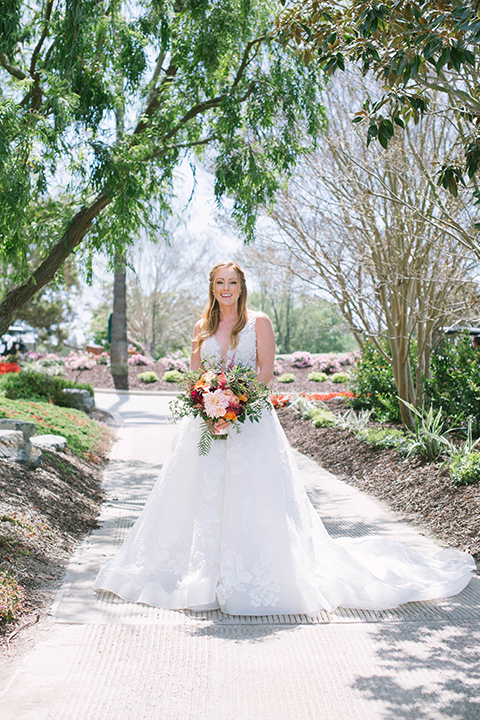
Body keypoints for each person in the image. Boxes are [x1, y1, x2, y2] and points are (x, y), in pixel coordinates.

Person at [94, 261, 475, 615]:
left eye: (233, 282)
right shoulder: (201, 328)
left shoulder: (258, 321)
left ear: (242, 287)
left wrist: (236, 401)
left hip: (250, 419)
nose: (226, 288)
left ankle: (254, 566)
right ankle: (201, 569)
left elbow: (265, 372)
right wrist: (209, 401)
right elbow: (196, 374)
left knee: (251, 495)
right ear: (212, 288)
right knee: (200, 493)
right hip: (205, 421)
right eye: (220, 282)